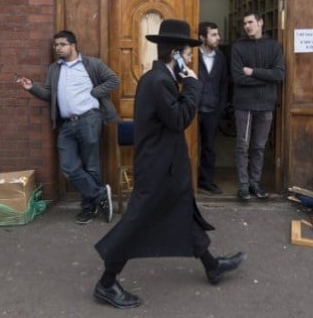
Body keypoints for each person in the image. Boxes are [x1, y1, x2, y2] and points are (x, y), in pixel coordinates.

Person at [93, 19, 245, 309]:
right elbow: (179, 120)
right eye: (187, 53)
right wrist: (192, 84)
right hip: (157, 169)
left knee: (183, 212)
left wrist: (186, 83)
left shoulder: (160, 78)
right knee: (136, 223)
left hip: (167, 166)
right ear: (175, 54)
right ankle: (106, 283)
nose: (190, 58)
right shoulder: (159, 81)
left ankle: (212, 266)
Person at [17, 30, 119, 224]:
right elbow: (49, 94)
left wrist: (95, 91)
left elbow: (113, 80)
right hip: (66, 125)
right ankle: (100, 195)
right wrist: (32, 88)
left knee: (92, 166)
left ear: (73, 46)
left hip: (89, 120)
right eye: (55, 45)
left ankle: (90, 208)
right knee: (68, 167)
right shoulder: (55, 69)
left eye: (62, 44)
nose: (58, 48)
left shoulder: (92, 64)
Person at [231, 12, 285, 201]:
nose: (247, 26)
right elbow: (238, 78)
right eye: (244, 23)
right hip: (244, 104)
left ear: (260, 22)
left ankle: (255, 183)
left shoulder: (274, 46)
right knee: (242, 146)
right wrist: (265, 78)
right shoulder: (238, 47)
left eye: (251, 22)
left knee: (259, 147)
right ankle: (244, 186)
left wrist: (253, 72)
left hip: (266, 105)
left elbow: (279, 75)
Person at [196, 21, 229, 195]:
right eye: (214, 35)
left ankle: (206, 181)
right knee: (189, 145)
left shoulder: (221, 57)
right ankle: (187, 180)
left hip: (213, 109)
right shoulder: (192, 55)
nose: (218, 38)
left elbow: (224, 84)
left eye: (218, 34)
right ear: (202, 37)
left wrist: (221, 107)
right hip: (193, 109)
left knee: (209, 147)